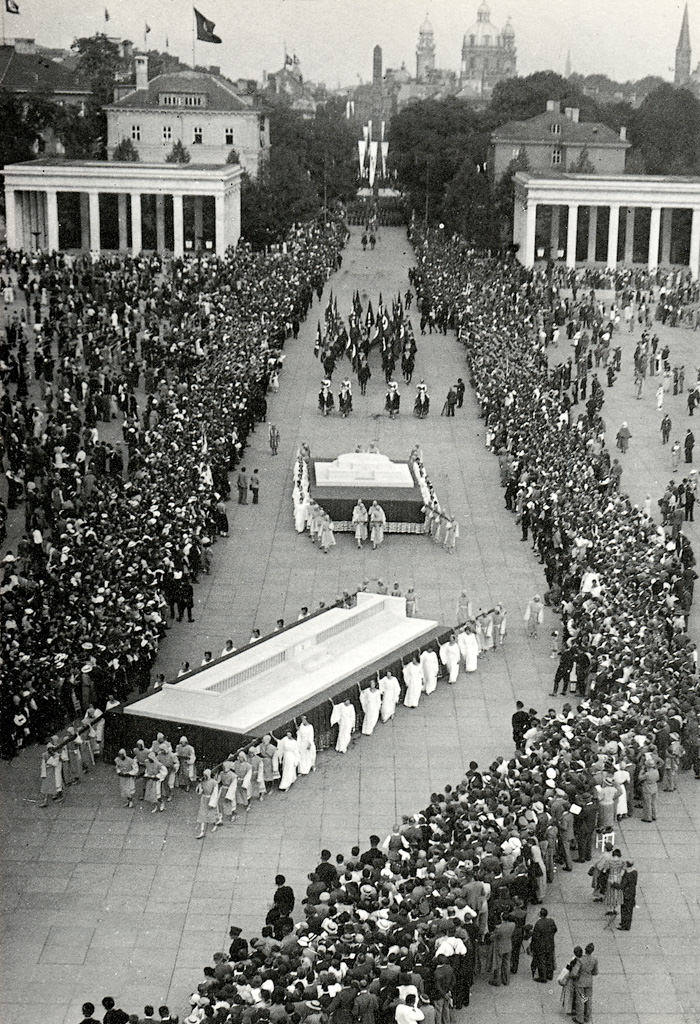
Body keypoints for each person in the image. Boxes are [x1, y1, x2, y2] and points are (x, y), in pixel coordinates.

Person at [573, 942, 598, 1024]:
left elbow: (574, 973)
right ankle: (587, 1017)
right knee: (588, 1000)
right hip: (589, 982)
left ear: (585, 950)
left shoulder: (580, 960)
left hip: (580, 982)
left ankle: (579, 1018)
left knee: (580, 1000)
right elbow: (595, 972)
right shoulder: (594, 959)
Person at [530, 907, 557, 982]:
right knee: (549, 959)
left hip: (541, 945)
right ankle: (549, 975)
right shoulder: (551, 921)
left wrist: (533, 946)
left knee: (541, 960)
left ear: (540, 915)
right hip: (550, 943)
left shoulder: (538, 923)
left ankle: (543, 977)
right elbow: (555, 930)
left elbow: (535, 937)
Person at [489, 913, 515, 986]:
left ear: (501, 918)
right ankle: (506, 980)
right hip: (508, 945)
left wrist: (491, 935)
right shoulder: (512, 925)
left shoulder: (499, 928)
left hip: (500, 947)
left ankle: (497, 981)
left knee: (498, 964)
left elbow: (493, 937)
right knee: (507, 963)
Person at [195, 768, 219, 839]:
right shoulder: (202, 782)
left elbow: (215, 793)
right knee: (202, 814)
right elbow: (199, 792)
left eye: (206, 775)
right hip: (204, 799)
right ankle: (202, 831)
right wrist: (199, 786)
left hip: (211, 799)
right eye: (204, 775)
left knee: (212, 813)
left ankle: (215, 824)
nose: (204, 776)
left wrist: (213, 802)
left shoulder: (214, 782)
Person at [560, 947, 582, 1016]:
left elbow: (568, 968)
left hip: (572, 981)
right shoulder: (581, 960)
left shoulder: (574, 960)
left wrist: (566, 976)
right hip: (577, 981)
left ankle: (570, 1009)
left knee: (571, 995)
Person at [618, 861, 638, 931]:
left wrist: (613, 884)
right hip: (632, 892)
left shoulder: (627, 875)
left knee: (624, 910)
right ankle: (626, 924)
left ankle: (624, 925)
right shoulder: (634, 872)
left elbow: (621, 886)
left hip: (626, 894)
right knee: (629, 910)